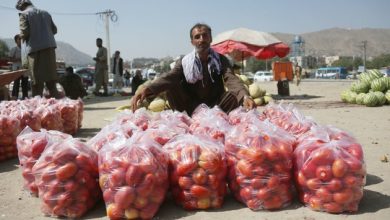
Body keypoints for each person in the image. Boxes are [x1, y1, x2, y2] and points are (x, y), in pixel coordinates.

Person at [131, 23, 255, 115]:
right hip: (190, 107)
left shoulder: (221, 60)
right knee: (171, 85)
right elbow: (170, 77)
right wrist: (147, 89)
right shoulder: (184, 61)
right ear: (192, 42)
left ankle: (217, 117)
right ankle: (187, 118)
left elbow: (231, 79)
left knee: (234, 94)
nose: (201, 39)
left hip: (216, 106)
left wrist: (245, 97)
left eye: (205, 35)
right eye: (197, 37)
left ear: (210, 39)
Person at [16, 0, 60, 99]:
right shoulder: (46, 13)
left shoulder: (24, 14)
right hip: (50, 49)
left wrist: (21, 36)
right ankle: (58, 109)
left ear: (22, 6)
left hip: (35, 51)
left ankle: (37, 110)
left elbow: (25, 33)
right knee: (51, 83)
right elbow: (54, 30)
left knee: (37, 83)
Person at [9, 34, 29, 99]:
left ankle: (25, 97)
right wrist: (18, 59)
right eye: (19, 39)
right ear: (16, 41)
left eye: (21, 39)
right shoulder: (14, 49)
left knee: (25, 83)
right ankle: (14, 97)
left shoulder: (26, 49)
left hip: (24, 69)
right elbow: (10, 58)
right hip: (17, 69)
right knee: (16, 84)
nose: (21, 40)